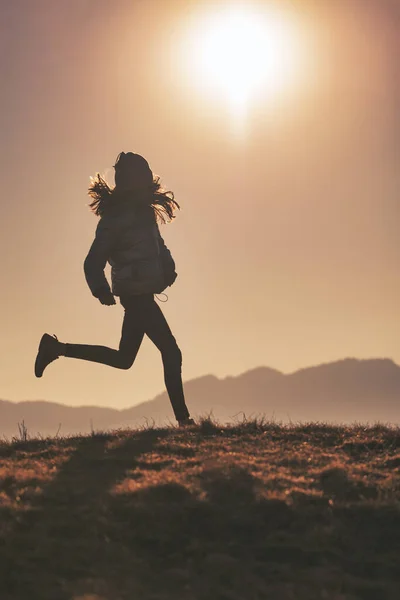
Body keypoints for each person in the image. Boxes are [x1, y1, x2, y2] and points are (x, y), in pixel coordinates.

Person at [35, 151, 194, 427]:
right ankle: (184, 421)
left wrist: (168, 267)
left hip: (142, 293)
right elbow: (92, 262)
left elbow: (159, 246)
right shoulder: (114, 220)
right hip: (135, 296)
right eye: (143, 176)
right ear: (134, 180)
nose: (148, 181)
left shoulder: (144, 214)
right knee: (171, 351)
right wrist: (100, 289)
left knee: (124, 359)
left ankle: (55, 348)